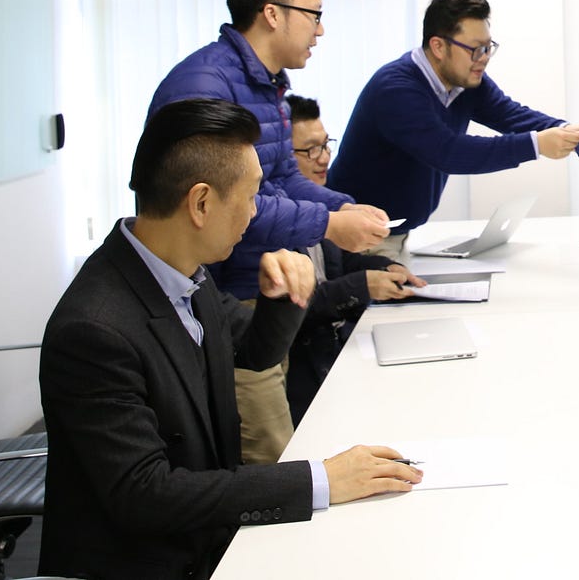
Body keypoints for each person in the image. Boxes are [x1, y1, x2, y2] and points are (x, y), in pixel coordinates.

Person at [39, 98, 421, 580]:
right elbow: (146, 494)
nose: (254, 213)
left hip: (207, 533)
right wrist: (321, 479)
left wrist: (281, 296)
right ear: (201, 203)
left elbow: (253, 351)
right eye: (252, 196)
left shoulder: (182, 273)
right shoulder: (94, 330)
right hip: (153, 562)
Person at [149, 0, 390, 464]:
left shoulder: (265, 84)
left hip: (261, 295)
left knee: (286, 447)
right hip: (223, 303)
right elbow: (227, 208)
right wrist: (328, 223)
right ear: (273, 13)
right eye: (314, 15)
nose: (320, 30)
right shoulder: (206, 86)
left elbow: (280, 179)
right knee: (272, 463)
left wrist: (345, 208)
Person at [328, 0, 579, 260]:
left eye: (488, 48)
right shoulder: (396, 89)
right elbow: (448, 152)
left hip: (394, 234)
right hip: (356, 239)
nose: (483, 58)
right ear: (438, 46)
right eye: (475, 49)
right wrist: (537, 145)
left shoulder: (465, 81)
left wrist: (565, 130)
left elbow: (509, 114)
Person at [284, 94, 425, 423]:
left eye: (326, 145)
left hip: (338, 350)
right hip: (306, 371)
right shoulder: (271, 223)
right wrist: (362, 286)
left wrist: (385, 268)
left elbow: (341, 267)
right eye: (310, 150)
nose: (324, 158)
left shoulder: (325, 204)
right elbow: (293, 308)